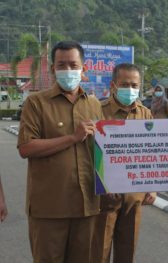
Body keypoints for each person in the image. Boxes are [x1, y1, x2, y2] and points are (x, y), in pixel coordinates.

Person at [17, 41, 104, 263]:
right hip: (49, 209)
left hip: (87, 207)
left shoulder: (94, 105)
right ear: (53, 69)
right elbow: (26, 147)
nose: (68, 70)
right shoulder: (36, 103)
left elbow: (104, 151)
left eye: (73, 64)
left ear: (84, 69)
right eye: (61, 65)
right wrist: (72, 138)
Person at [97, 63, 156, 263]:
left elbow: (151, 152)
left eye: (134, 85)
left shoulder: (145, 113)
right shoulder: (98, 111)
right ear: (113, 85)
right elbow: (88, 153)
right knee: (99, 252)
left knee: (127, 253)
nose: (130, 90)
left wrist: (153, 187)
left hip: (134, 197)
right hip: (104, 198)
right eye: (125, 84)